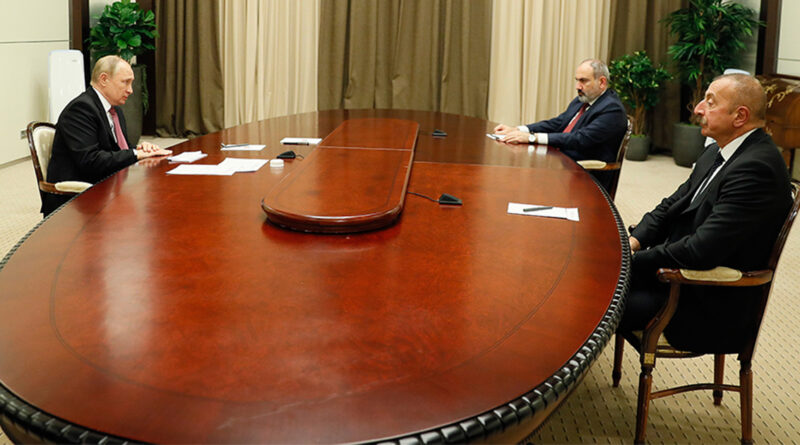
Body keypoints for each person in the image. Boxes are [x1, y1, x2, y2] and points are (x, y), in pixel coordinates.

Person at [618, 73, 792, 353]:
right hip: (674, 279)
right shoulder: (717, 151)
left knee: (592, 302)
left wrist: (632, 262)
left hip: (701, 302)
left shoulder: (756, 169)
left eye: (710, 103)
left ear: (740, 116)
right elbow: (671, 205)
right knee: (592, 280)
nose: (698, 109)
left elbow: (701, 250)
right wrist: (633, 242)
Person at [41, 55, 171, 216]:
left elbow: (115, 150)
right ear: (104, 79)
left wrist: (139, 149)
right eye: (125, 82)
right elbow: (91, 161)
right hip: (76, 200)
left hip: (105, 187)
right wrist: (135, 154)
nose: (130, 90)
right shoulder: (81, 109)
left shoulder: (115, 111)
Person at [492, 59, 628, 192]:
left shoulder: (612, 109)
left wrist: (532, 137)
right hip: (561, 161)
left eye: (583, 81)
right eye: (577, 80)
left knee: (521, 179)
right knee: (512, 167)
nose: (578, 86)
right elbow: (557, 123)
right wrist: (519, 129)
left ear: (602, 82)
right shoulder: (582, 99)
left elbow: (580, 138)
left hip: (583, 173)